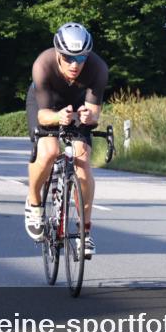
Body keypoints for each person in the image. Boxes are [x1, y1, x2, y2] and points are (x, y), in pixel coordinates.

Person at [24, 23, 108, 259]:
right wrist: (58, 117)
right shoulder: (43, 64)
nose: (75, 64)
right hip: (46, 105)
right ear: (58, 54)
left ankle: (85, 231)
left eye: (81, 57)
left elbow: (94, 114)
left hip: (78, 103)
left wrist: (89, 117)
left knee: (82, 159)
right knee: (49, 151)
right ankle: (33, 202)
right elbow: (42, 115)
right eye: (69, 58)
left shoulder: (98, 68)